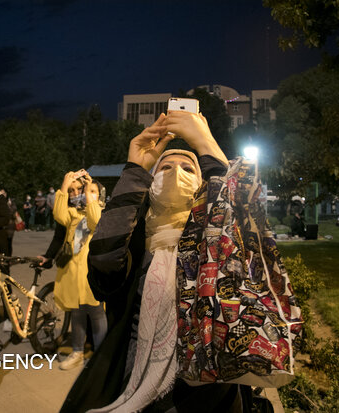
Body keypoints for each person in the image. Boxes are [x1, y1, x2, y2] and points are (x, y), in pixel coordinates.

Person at [60, 112, 256, 412]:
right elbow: (103, 262)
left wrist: (204, 143)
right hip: (137, 388)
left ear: (201, 183)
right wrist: (136, 169)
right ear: (151, 184)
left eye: (187, 168)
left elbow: (233, 221)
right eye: (165, 167)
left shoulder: (215, 239)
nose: (176, 172)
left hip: (208, 397)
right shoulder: (135, 239)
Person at [53, 170, 108, 370]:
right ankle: (77, 352)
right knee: (76, 314)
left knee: (96, 314)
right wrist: (64, 185)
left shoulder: (99, 211)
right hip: (73, 274)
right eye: (78, 190)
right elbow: (59, 214)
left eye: (90, 190)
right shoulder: (73, 213)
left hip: (91, 274)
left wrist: (89, 196)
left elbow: (95, 222)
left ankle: (98, 358)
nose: (83, 193)